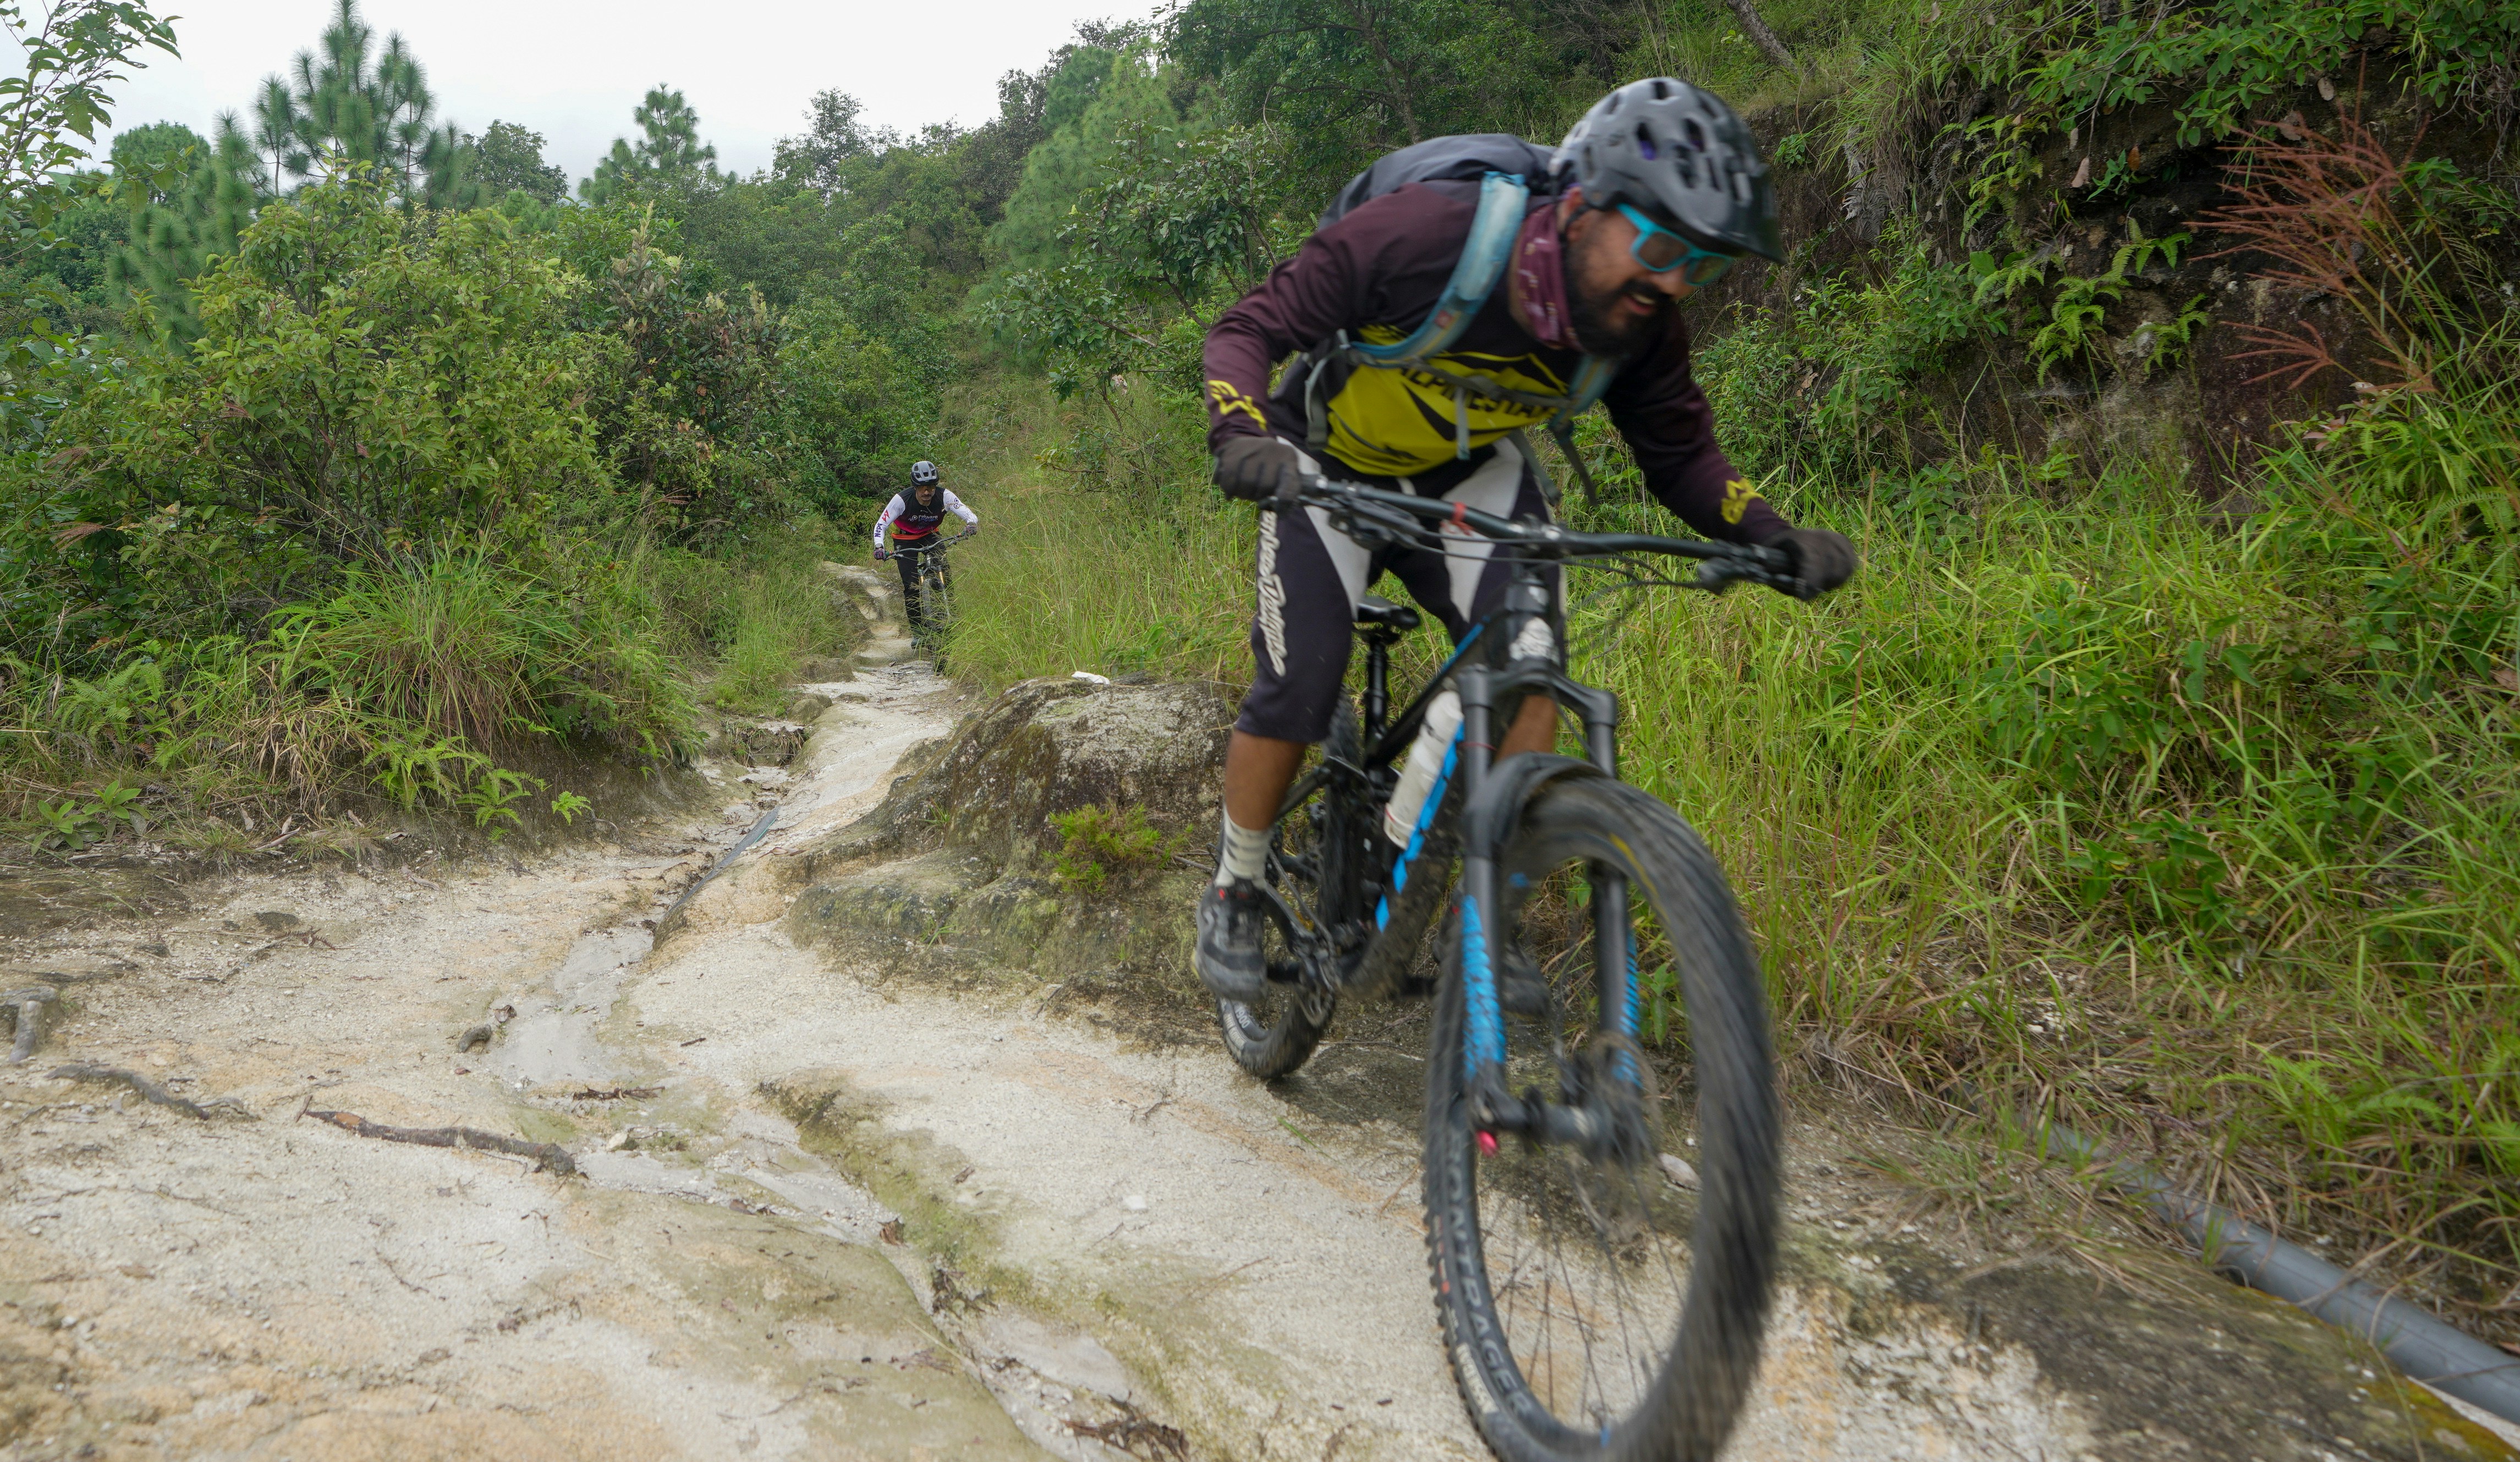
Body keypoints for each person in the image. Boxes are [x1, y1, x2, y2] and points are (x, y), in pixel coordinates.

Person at [1192, 78, 1859, 1002]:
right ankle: (1236, 883)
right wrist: (1242, 435)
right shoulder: (1428, 235)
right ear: (1581, 210)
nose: (1671, 283)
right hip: (1325, 462)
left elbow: (1682, 456)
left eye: (1700, 268)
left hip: (1468, 477)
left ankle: (1465, 904)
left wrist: (1772, 534)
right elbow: (1249, 328)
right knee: (1301, 682)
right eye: (1661, 246)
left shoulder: (1640, 326)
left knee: (1530, 672)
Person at [872, 460, 978, 629]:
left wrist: (971, 524)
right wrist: (879, 547)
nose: (927, 492)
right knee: (911, 586)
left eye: (931, 487)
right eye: (922, 488)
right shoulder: (901, 500)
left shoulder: (945, 496)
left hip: (930, 534)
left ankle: (952, 613)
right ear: (915, 487)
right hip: (905, 539)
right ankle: (918, 631)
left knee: (945, 571)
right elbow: (881, 525)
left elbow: (967, 513)